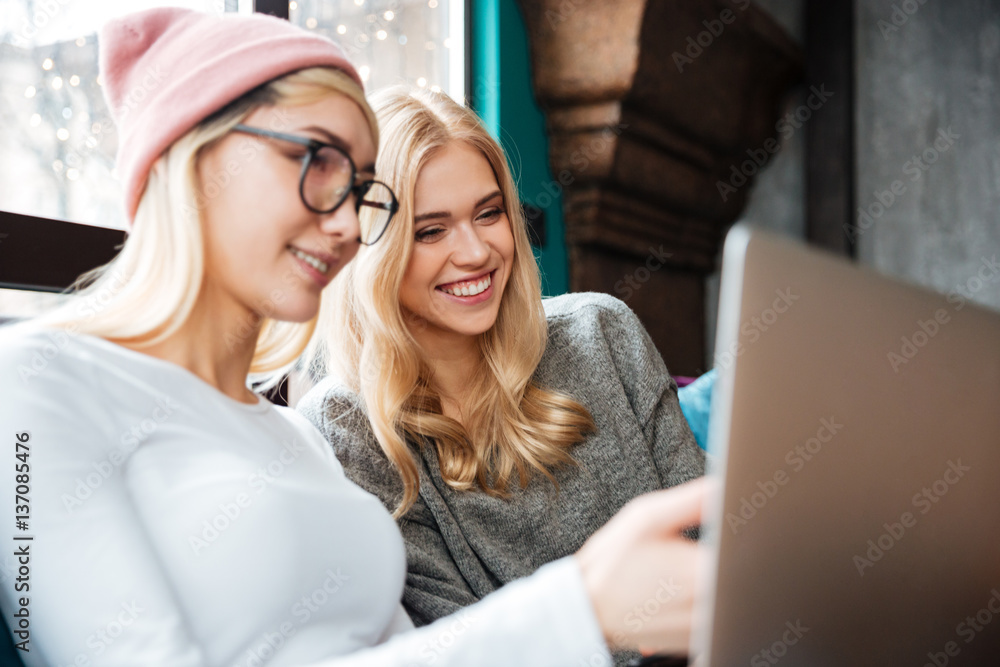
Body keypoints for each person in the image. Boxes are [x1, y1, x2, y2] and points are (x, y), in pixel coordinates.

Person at [0, 8, 707, 666]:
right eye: (318, 162)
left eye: (363, 189)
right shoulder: (31, 381)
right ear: (192, 159)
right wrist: (577, 609)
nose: (347, 224)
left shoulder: (291, 438)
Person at [298, 88, 706, 665]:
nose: (476, 252)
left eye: (488, 214)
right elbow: (470, 648)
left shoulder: (602, 332)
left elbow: (713, 543)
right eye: (430, 231)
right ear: (373, 252)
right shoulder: (347, 428)